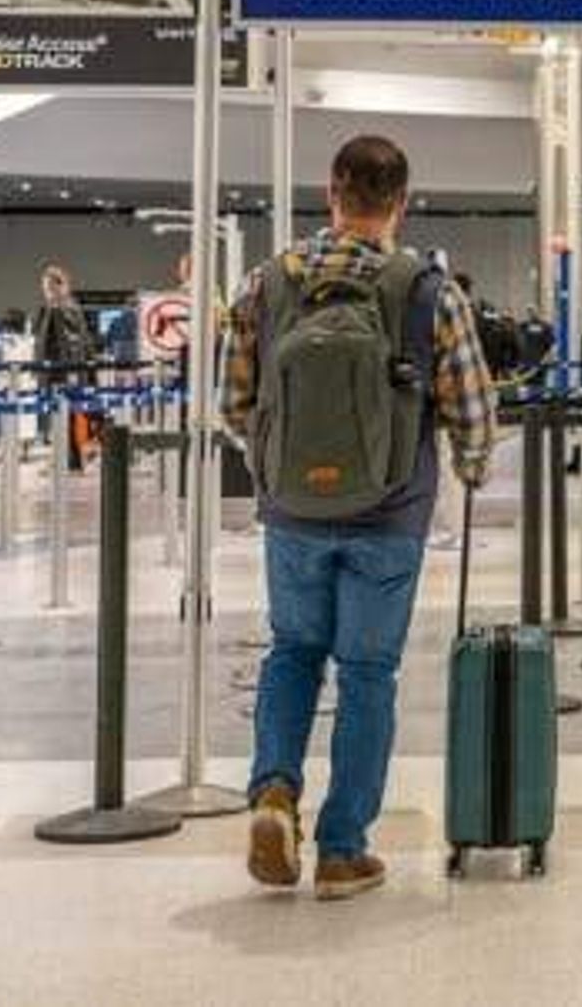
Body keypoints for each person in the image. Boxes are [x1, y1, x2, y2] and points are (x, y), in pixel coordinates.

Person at [223, 134, 494, 901]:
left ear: (332, 194)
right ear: (400, 203)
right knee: (369, 674)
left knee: (292, 653)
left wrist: (284, 473)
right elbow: (472, 410)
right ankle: (344, 851)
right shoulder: (428, 291)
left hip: (293, 515)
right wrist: (471, 467)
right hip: (390, 513)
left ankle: (274, 794)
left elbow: (233, 405)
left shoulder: (266, 283)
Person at [31, 263, 93, 379]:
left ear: (57, 287)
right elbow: (39, 340)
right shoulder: (46, 309)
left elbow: (77, 341)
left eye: (48, 287)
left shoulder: (70, 308)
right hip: (48, 371)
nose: (45, 291)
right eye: (44, 287)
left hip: (66, 372)